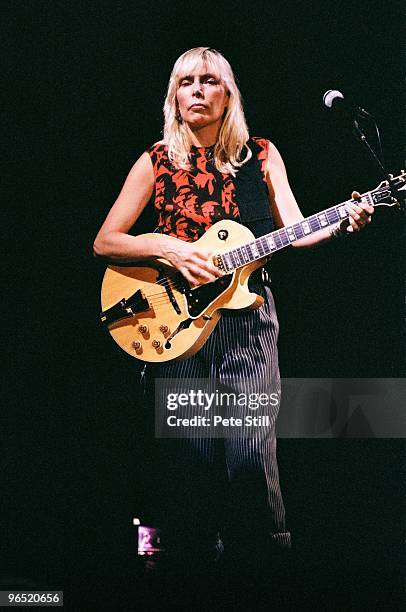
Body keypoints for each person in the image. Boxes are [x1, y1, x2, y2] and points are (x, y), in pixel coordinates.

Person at [93, 47, 373, 572]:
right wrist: (169, 247)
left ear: (228, 95)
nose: (197, 90)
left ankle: (264, 570)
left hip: (247, 323)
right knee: (191, 457)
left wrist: (344, 220)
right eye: (186, 81)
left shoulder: (260, 155)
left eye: (210, 81)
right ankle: (190, 570)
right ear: (174, 95)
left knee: (249, 455)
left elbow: (297, 229)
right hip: (176, 326)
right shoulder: (156, 160)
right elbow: (106, 241)